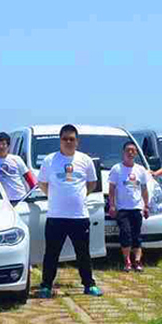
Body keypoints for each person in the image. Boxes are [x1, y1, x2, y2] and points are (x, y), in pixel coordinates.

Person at [37, 124, 102, 298]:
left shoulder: (85, 160)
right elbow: (42, 183)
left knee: (83, 254)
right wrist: (54, 197)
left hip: (79, 216)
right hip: (56, 216)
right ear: (60, 141)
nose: (68, 142)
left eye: (71, 139)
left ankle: (89, 285)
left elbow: (91, 183)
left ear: (77, 141)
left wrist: (79, 196)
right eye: (65, 139)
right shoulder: (50, 160)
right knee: (51, 253)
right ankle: (46, 286)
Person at [108, 141, 150, 272]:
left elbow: (144, 189)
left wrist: (146, 206)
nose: (131, 153)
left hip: (137, 208)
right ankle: (127, 261)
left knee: (137, 236)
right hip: (122, 209)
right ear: (123, 152)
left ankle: (137, 261)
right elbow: (111, 189)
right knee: (125, 234)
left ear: (136, 153)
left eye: (133, 150)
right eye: (128, 150)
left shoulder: (140, 170)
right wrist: (112, 205)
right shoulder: (117, 169)